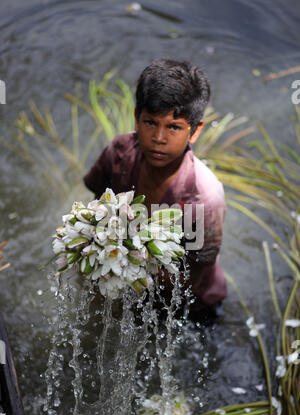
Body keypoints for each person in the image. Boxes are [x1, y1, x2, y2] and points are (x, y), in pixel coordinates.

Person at [83, 59, 227, 323]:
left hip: (190, 303)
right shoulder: (119, 154)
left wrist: (128, 267)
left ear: (194, 131)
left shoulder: (200, 200)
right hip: (125, 277)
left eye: (173, 127)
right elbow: (97, 208)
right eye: (150, 122)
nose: (159, 138)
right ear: (137, 118)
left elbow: (192, 271)